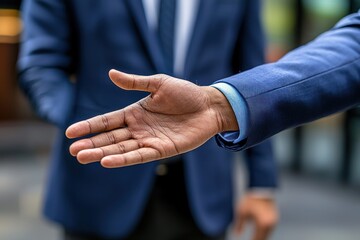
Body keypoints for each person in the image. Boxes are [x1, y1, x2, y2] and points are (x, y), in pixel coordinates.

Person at [18, 0, 278, 239]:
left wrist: (261, 185)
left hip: (201, 193)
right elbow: (41, 63)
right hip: (99, 185)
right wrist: (76, 123)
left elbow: (252, 78)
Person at [66, 11, 360, 168]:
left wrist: (261, 182)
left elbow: (248, 57)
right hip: (101, 178)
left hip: (206, 180)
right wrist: (217, 105)